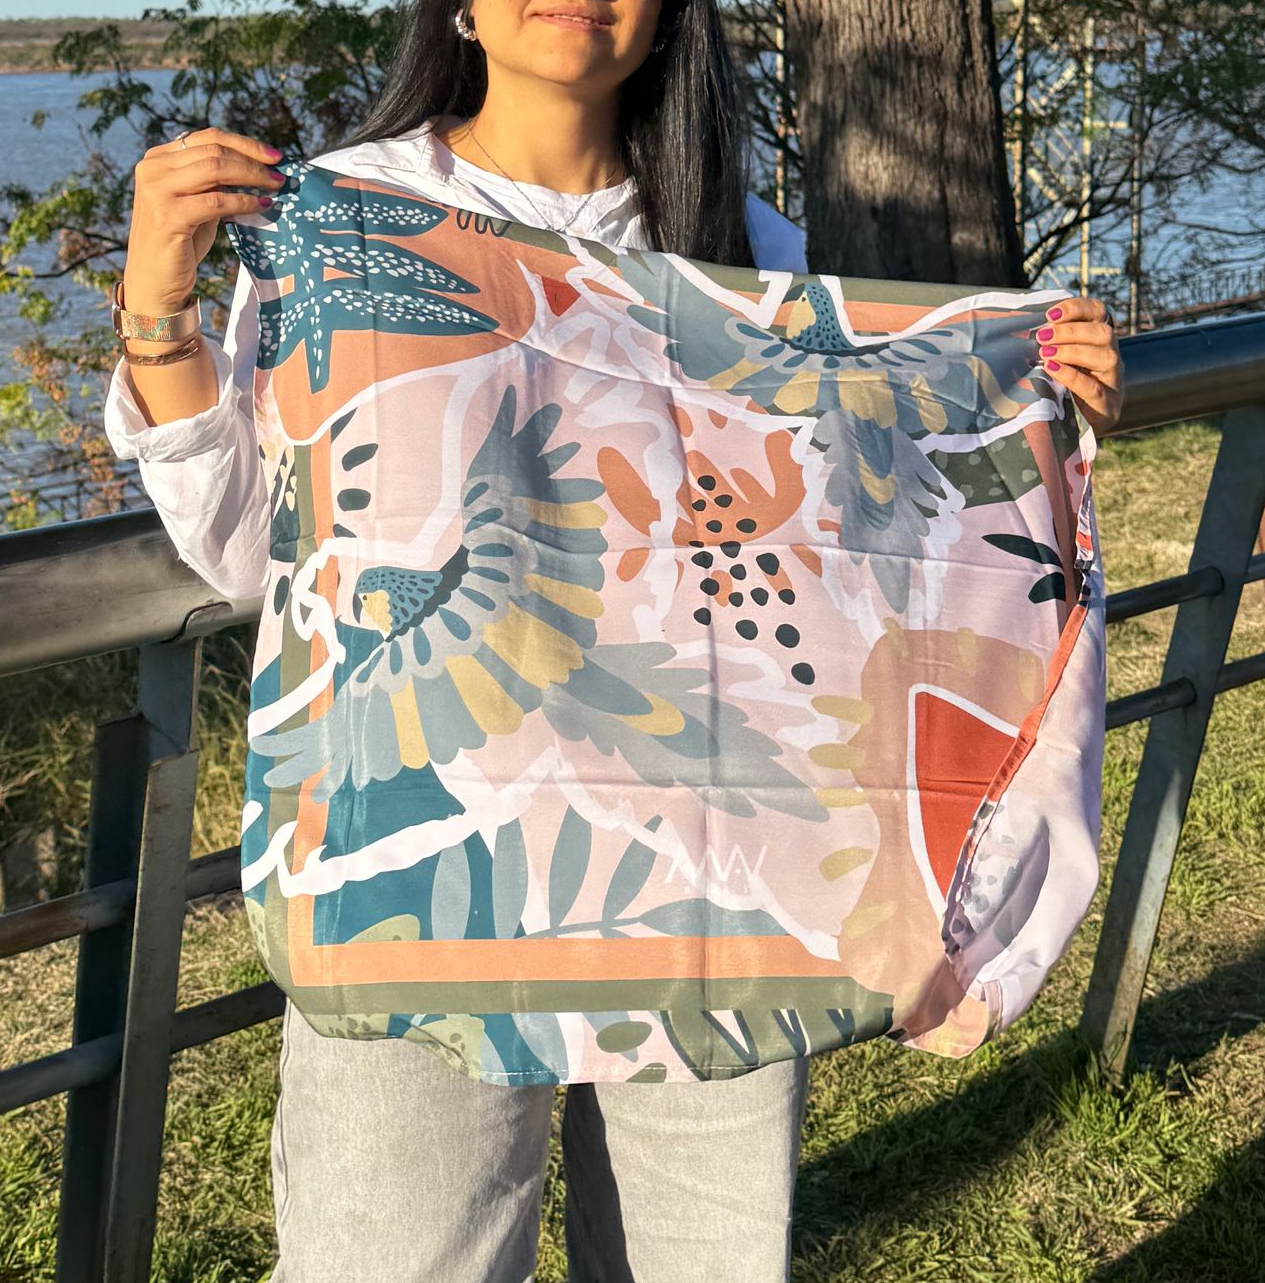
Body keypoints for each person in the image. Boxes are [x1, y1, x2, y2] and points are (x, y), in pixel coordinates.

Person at [103, 0, 1124, 1278]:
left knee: (700, 1256)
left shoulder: (743, 252)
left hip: (723, 861)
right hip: (413, 858)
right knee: (397, 1255)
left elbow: (867, 539)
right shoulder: (350, 215)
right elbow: (259, 549)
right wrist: (158, 312)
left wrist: (1027, 411)